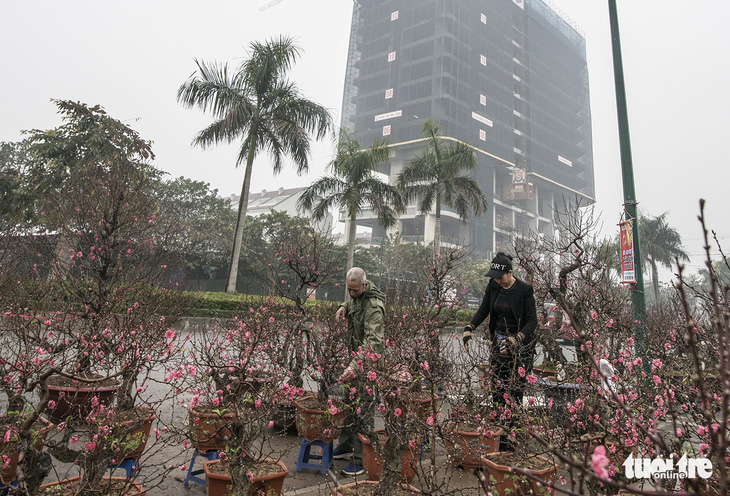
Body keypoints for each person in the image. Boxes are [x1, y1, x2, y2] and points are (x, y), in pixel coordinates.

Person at [463, 252, 537, 451]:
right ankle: (499, 433)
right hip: (498, 341)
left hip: (519, 344)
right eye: (494, 277)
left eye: (501, 277)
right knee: (497, 389)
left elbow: (532, 322)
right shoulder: (494, 286)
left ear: (510, 273)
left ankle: (511, 439)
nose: (497, 280)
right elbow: (484, 309)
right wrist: (470, 327)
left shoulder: (524, 290)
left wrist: (517, 339)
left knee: (514, 391)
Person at [332, 267, 385, 476]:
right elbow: (352, 302)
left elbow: (374, 343)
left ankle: (361, 459)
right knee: (348, 403)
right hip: (355, 360)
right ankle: (346, 445)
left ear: (364, 285)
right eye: (348, 290)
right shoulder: (356, 296)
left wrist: (354, 366)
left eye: (354, 291)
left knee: (363, 411)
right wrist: (343, 306)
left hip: (367, 365)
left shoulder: (374, 306)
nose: (351, 294)